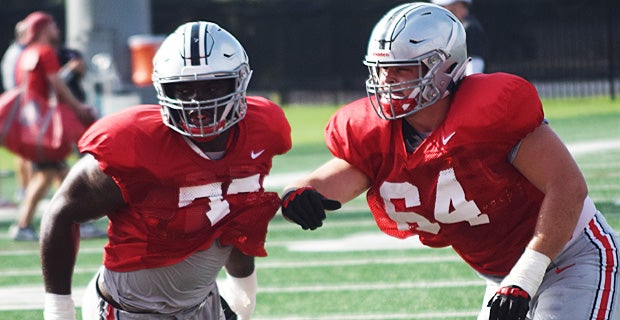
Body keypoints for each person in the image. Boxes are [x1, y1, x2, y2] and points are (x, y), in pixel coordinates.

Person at [281, 3, 619, 320]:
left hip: (571, 256)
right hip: (503, 278)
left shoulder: (490, 114)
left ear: (445, 67)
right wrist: (297, 193)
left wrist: (526, 275)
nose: (387, 81)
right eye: (382, 69)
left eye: (401, 69)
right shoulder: (376, 133)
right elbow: (329, 181)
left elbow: (568, 187)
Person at [40, 20, 291, 320]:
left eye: (213, 86)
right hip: (129, 312)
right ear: (163, 88)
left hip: (203, 306)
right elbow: (62, 212)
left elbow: (235, 217)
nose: (199, 102)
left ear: (239, 82)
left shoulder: (263, 128)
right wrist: (59, 310)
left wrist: (243, 290)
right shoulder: (135, 143)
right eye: (184, 89)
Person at [8, 11, 96, 241]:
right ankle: (23, 225)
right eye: (53, 26)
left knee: (60, 174)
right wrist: (79, 109)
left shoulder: (26, 53)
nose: (56, 30)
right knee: (50, 174)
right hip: (45, 127)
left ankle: (75, 221)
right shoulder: (45, 52)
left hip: (32, 123)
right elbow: (58, 87)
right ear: (44, 29)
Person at [1, 19, 33, 204]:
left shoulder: (18, 52)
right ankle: (24, 188)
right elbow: (17, 84)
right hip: (19, 106)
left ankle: (26, 188)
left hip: (20, 105)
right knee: (23, 150)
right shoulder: (17, 54)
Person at [431, 0, 487, 75]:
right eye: (441, 7)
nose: (444, 11)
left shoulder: (470, 28)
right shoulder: (442, 28)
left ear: (462, 6)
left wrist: (470, 84)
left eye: (452, 8)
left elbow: (474, 67)